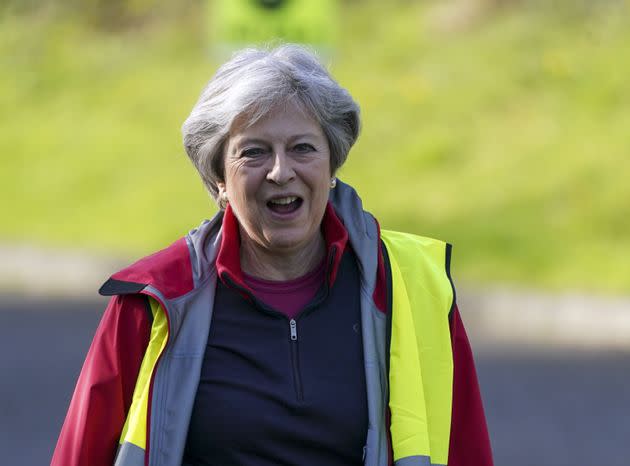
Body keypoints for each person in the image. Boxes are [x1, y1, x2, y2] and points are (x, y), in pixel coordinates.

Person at [52, 44, 493, 466]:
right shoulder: (153, 300)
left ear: (331, 164)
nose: (281, 172)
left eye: (303, 148)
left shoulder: (413, 286)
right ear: (219, 177)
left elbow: (467, 451)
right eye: (254, 152)